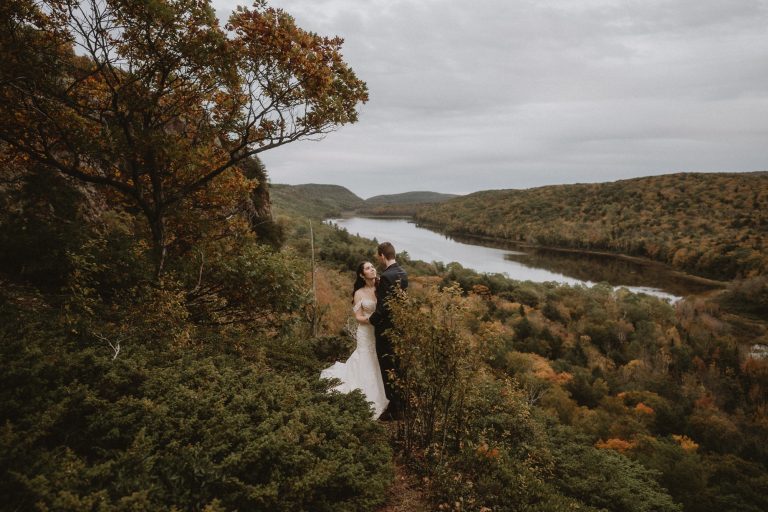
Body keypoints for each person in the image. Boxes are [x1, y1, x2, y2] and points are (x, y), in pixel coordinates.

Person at [320, 261, 389, 419]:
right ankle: (366, 395)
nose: (372, 269)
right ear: (361, 275)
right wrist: (372, 320)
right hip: (366, 331)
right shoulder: (359, 293)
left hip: (380, 331)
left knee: (378, 359)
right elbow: (358, 317)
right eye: (368, 268)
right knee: (367, 359)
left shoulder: (382, 288)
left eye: (372, 267)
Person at [368, 241, 408, 418]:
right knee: (397, 366)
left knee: (387, 367)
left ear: (382, 256)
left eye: (379, 257)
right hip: (399, 327)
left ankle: (394, 409)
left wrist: (372, 320)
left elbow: (383, 307)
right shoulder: (403, 273)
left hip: (386, 329)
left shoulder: (386, 276)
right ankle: (402, 403)